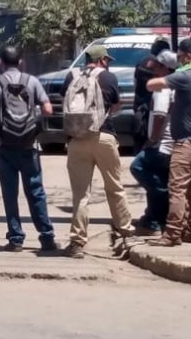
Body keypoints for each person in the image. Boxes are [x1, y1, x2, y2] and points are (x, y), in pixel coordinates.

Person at [60, 45, 134, 258]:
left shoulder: (71, 76)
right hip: (104, 137)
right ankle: (126, 234)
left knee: (81, 194)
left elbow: (65, 101)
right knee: (115, 187)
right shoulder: (109, 78)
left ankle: (77, 242)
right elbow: (117, 105)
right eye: (107, 60)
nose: (108, 63)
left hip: (76, 140)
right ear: (102, 60)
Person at [0, 45, 57, 252]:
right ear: (21, 62)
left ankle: (16, 239)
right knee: (36, 190)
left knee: (10, 193)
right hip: (29, 145)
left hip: (3, 146)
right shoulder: (32, 81)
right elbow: (48, 109)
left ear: (1, 63)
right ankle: (47, 236)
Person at [146, 38, 191, 247]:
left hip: (186, 143)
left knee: (176, 188)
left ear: (187, 56)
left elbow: (153, 84)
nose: (177, 59)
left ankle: (172, 234)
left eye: (179, 56)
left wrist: (159, 73)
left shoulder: (185, 76)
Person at [130, 49, 178, 237]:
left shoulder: (162, 87)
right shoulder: (175, 86)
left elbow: (159, 115)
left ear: (165, 68)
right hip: (169, 143)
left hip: (160, 143)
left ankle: (161, 201)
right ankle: (154, 219)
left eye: (157, 65)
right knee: (156, 178)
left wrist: (152, 139)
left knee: (138, 167)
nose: (153, 67)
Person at [132, 39, 171, 154]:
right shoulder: (160, 66)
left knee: (139, 145)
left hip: (139, 110)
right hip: (153, 111)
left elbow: (135, 84)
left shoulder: (141, 62)